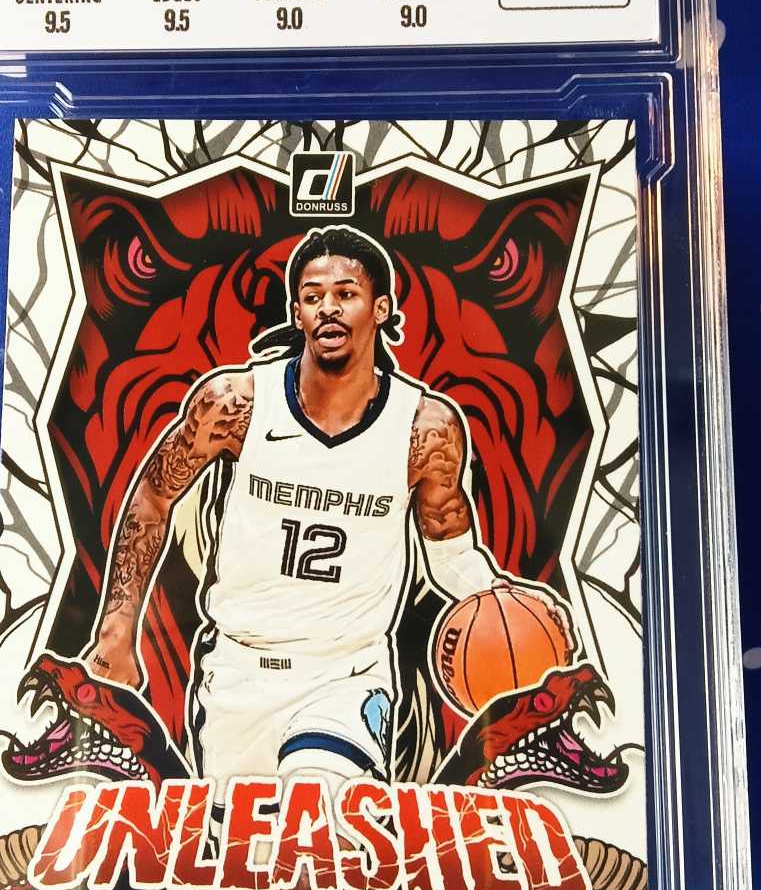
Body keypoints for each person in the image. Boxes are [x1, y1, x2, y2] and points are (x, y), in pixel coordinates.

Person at [80, 225, 532, 791]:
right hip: (238, 672)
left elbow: (450, 547)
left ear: (381, 308)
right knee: (247, 848)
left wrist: (501, 601)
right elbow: (154, 497)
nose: (328, 308)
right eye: (313, 296)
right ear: (297, 313)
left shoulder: (424, 428)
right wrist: (116, 631)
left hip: (348, 675)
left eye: (346, 293)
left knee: (314, 813)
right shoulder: (236, 403)